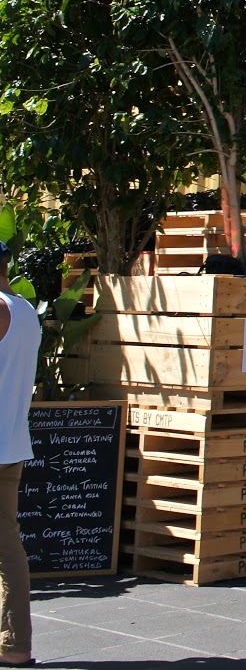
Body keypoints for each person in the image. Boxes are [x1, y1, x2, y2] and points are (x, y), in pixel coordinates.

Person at [0, 241, 37, 668]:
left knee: (7, 550)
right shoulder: (26, 310)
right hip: (11, 442)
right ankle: (15, 645)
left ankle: (15, 646)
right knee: (7, 546)